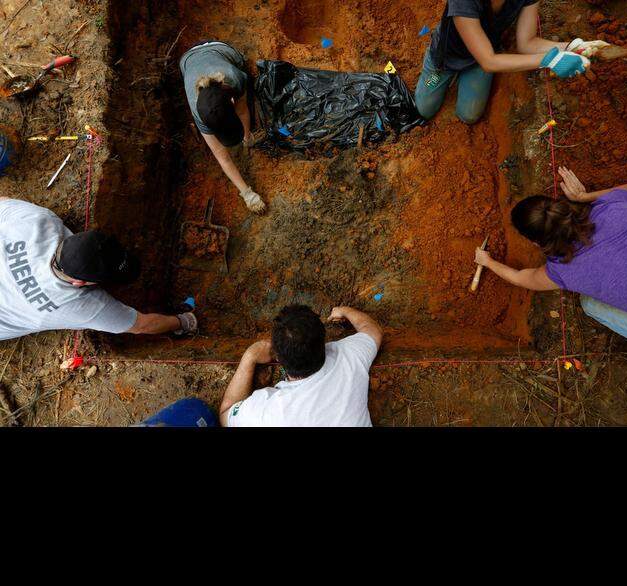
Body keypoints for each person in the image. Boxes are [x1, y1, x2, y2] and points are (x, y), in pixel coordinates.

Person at [475, 168, 627, 344]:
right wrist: (584, 197)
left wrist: (488, 261)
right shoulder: (612, 207)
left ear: (537, 243)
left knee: (590, 305)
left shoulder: (563, 270)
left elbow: (521, 277)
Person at [0, 197, 196, 341]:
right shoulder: (78, 306)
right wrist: (184, 322)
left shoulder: (35, 220)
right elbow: (142, 325)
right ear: (80, 284)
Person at [416, 0, 610, 124]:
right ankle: (437, 70)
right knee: (424, 110)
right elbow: (489, 62)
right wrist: (550, 59)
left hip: (483, 55)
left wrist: (570, 47)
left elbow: (528, 43)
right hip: (447, 58)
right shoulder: (464, 2)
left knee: (469, 115)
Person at [219, 305, 383, 428]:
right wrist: (344, 310)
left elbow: (226, 414)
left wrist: (249, 357)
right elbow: (372, 330)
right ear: (324, 342)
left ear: (277, 357)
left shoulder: (266, 411)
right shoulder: (349, 356)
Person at [179, 40, 266, 212]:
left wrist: (247, 138)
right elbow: (222, 157)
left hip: (220, 48)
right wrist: (247, 194)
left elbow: (242, 111)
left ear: (232, 101)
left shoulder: (234, 78)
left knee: (243, 66)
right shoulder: (199, 113)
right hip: (187, 60)